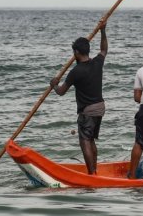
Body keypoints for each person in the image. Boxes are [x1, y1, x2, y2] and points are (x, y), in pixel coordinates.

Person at [49, 19, 108, 175]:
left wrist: (54, 84)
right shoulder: (97, 63)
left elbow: (61, 92)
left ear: (76, 52)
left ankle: (92, 174)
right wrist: (103, 31)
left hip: (88, 111)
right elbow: (104, 50)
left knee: (84, 141)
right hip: (100, 107)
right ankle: (94, 170)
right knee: (91, 139)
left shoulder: (76, 71)